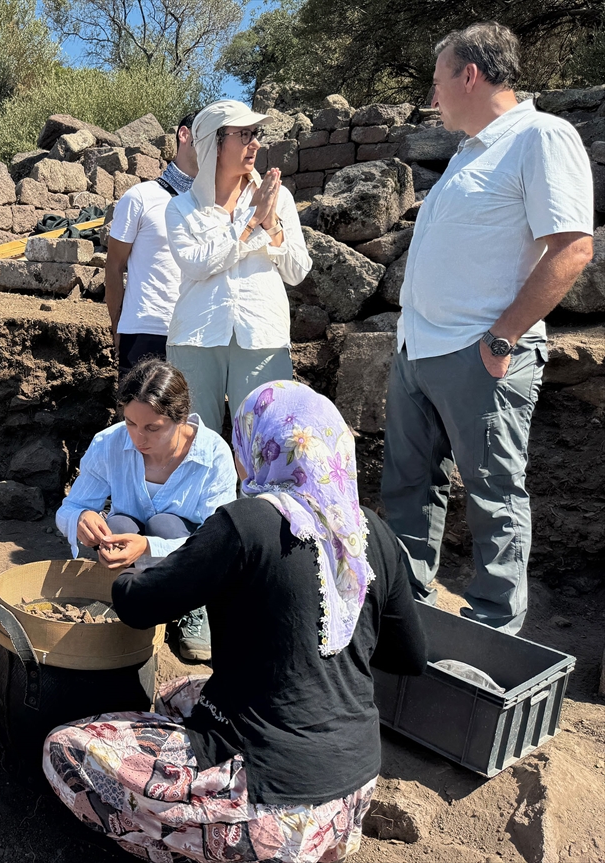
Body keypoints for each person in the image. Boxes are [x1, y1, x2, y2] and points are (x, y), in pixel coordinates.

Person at [44, 381, 427, 863]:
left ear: (259, 444)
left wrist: (119, 576)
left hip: (274, 806)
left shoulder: (246, 524)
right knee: (178, 694)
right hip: (348, 800)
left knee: (66, 749)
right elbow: (408, 656)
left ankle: (203, 847)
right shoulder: (371, 531)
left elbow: (139, 605)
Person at [382, 22, 594, 635]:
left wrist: (502, 337)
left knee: (493, 497)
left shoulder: (541, 137)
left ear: (469, 75)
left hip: (481, 354)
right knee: (407, 493)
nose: (432, 95)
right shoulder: (469, 152)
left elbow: (572, 248)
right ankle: (403, 619)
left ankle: (493, 633)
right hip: (419, 352)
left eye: (438, 78)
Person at [55, 359, 236, 662]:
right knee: (119, 523)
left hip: (189, 559)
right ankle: (126, 597)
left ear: (180, 418)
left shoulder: (214, 455)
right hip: (130, 550)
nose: (138, 437)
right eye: (130, 423)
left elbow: (219, 541)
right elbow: (70, 507)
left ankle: (193, 608)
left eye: (153, 427)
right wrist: (80, 519)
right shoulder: (109, 443)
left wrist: (148, 547)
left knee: (166, 524)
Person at [164, 100, 312, 435]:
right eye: (244, 134)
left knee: (265, 442)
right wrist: (250, 223)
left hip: (263, 335)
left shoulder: (279, 199)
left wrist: (271, 223)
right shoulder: (180, 208)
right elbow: (197, 265)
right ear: (214, 143)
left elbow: (297, 270)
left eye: (255, 133)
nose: (255, 142)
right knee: (194, 443)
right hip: (196, 337)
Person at [106, 112, 199, 377]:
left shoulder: (213, 203)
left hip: (197, 334)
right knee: (137, 417)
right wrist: (117, 326)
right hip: (146, 329)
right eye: (206, 133)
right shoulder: (140, 197)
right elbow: (114, 264)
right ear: (185, 135)